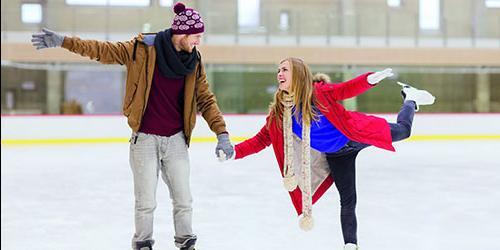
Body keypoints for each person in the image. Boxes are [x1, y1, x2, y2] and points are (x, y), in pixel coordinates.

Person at [31, 2, 234, 250]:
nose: (199, 42)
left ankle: (186, 243)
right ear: (182, 33)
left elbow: (206, 99)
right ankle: (143, 243)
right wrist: (63, 41)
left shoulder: (194, 62)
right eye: (196, 36)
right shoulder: (142, 49)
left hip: (176, 140)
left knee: (183, 199)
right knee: (145, 201)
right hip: (145, 139)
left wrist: (221, 132)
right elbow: (101, 50)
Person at [221, 57, 435, 250]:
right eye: (278, 70)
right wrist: (234, 152)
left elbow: (346, 89)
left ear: (298, 74)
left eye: (284, 69)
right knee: (348, 199)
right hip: (337, 155)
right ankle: (351, 244)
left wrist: (370, 79)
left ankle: (410, 99)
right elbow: (260, 140)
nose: (279, 73)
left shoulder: (319, 94)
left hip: (354, 134)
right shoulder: (279, 114)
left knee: (404, 131)